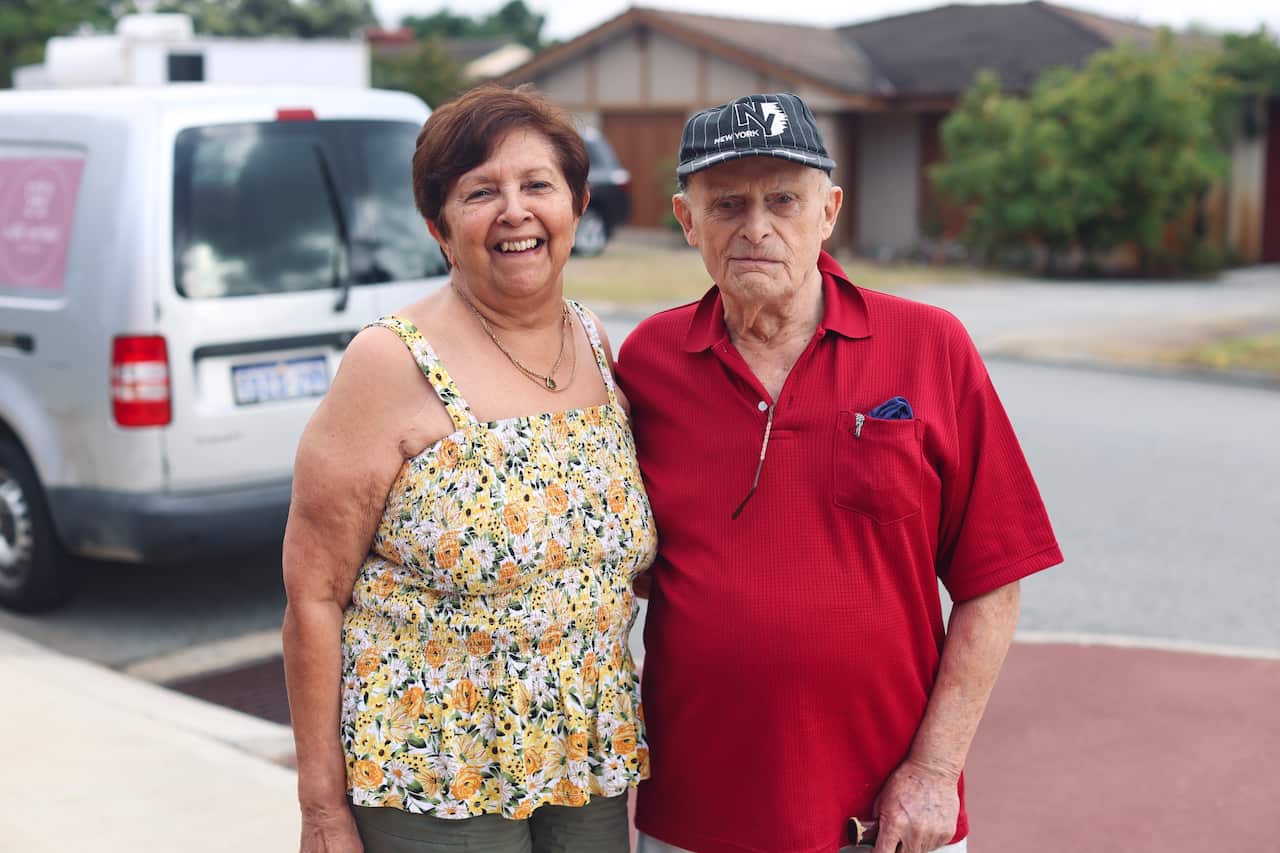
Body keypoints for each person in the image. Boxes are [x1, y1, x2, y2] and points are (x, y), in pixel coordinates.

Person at [616, 93, 1063, 853]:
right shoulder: (649, 364)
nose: (757, 226)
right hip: (695, 811)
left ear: (828, 210)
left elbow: (995, 578)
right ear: (687, 221)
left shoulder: (930, 345)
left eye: (783, 198)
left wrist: (935, 769)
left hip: (881, 817)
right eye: (727, 202)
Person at [281, 84, 656, 853]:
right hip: (432, 769)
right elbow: (313, 595)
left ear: (577, 206)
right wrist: (321, 808)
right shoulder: (388, 361)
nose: (514, 211)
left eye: (537, 185)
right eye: (480, 191)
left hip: (583, 760)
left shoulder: (595, 342)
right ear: (440, 228)